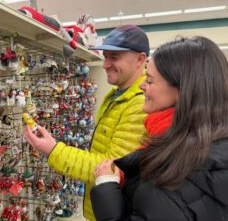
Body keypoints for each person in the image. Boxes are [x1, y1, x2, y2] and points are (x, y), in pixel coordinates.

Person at [91, 36, 228, 221]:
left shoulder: (171, 176)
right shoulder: (209, 142)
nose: (141, 85)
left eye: (149, 80)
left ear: (182, 90)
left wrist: (106, 187)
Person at [25, 24, 149, 221]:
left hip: (117, 211)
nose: (105, 64)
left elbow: (112, 169)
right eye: (105, 56)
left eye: (114, 57)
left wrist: (54, 149)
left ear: (140, 59)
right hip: (105, 207)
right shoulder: (117, 95)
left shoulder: (140, 104)